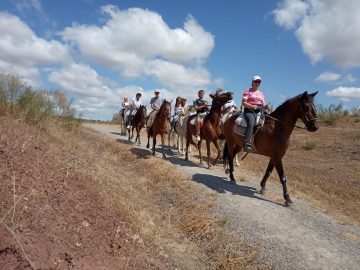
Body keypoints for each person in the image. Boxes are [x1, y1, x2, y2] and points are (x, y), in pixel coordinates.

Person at [242, 75, 269, 152]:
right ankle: (246, 143)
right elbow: (243, 103)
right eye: (256, 81)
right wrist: (252, 106)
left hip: (260, 110)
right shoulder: (247, 91)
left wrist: (265, 106)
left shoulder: (261, 93)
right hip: (249, 110)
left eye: (259, 82)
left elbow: (263, 104)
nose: (257, 83)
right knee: (251, 122)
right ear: (252, 82)